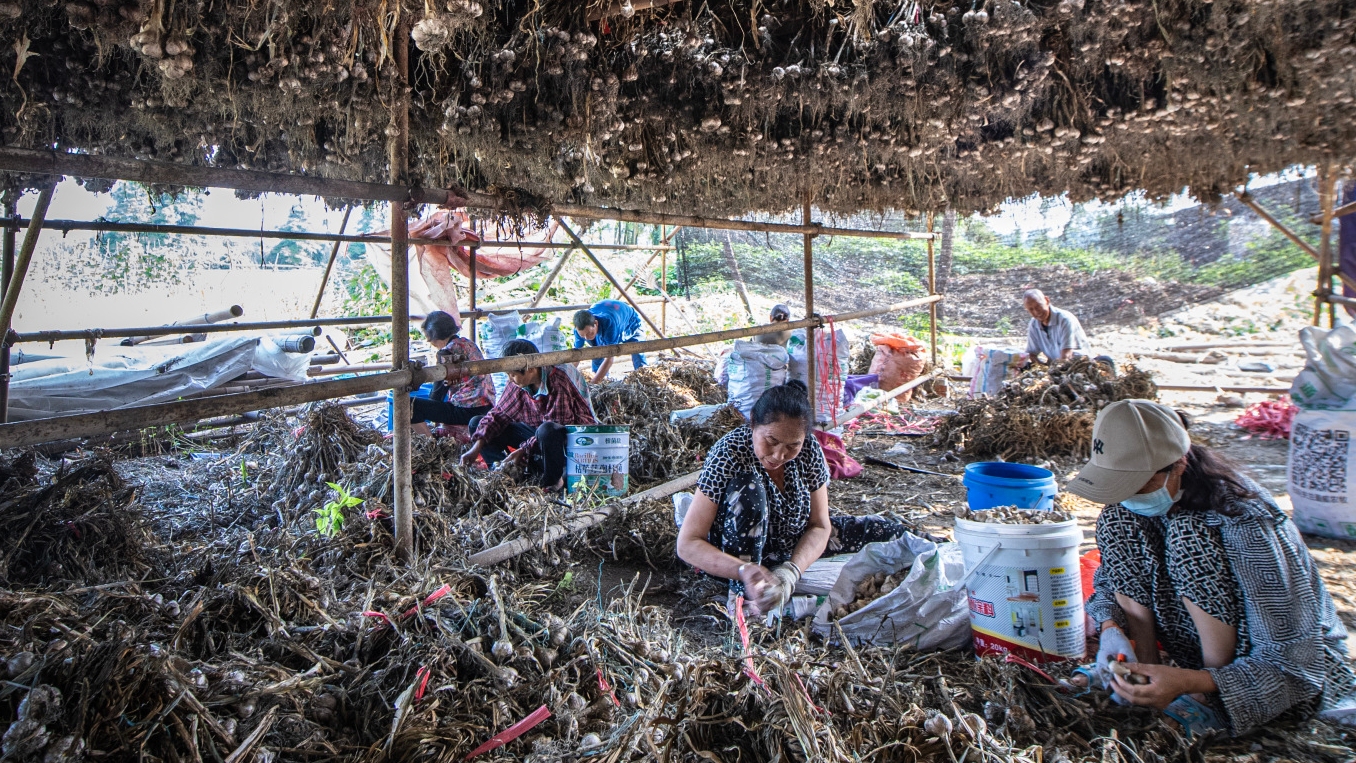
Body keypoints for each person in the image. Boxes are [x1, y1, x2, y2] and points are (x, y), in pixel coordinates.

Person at [1067, 399, 1356, 738]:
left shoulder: (1245, 524)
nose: (1127, 494)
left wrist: (1193, 682)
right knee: (1116, 520)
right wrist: (1112, 628)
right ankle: (1143, 671)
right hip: (1190, 655)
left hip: (1279, 674)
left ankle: (1207, 698)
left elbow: (1294, 664)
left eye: (1138, 483)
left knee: (1189, 535)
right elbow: (1110, 581)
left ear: (1178, 464)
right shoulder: (1131, 510)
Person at [675, 380, 920, 616]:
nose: (779, 454)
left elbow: (820, 525)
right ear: (752, 423)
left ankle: (942, 548)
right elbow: (688, 544)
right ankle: (744, 597)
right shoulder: (728, 454)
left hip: (790, 544)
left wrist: (791, 571)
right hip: (739, 558)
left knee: (884, 533)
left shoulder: (810, 450)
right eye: (771, 441)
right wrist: (743, 570)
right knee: (749, 492)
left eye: (792, 445)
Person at [461, 339, 596, 489]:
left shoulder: (559, 378)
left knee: (547, 430)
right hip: (537, 433)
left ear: (531, 368)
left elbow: (559, 424)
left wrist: (523, 449)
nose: (510, 379)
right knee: (477, 423)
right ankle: (504, 474)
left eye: (512, 374)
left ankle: (552, 482)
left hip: (571, 437)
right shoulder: (518, 382)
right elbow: (499, 414)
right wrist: (476, 447)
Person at [412, 311, 496, 434]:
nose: (432, 344)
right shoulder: (468, 343)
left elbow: (437, 392)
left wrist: (431, 414)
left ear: (435, 336)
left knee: (410, 406)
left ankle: (431, 445)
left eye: (431, 340)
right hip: (487, 407)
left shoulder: (446, 352)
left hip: (466, 411)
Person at [573, 300, 646, 384]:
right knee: (596, 352)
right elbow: (576, 356)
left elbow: (609, 359)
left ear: (596, 323)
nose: (587, 338)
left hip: (631, 322)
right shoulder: (579, 330)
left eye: (590, 333)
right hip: (609, 314)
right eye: (583, 336)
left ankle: (643, 380)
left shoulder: (609, 324)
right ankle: (602, 382)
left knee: (637, 351)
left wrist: (592, 385)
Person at [1023, 289, 1090, 364]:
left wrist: (1052, 372)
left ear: (1047, 300)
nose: (1036, 312)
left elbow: (1066, 355)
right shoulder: (1034, 324)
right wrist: (1040, 367)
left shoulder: (1065, 319)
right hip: (1056, 366)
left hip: (1077, 365)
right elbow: (1031, 354)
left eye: (1038, 306)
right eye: (1031, 309)